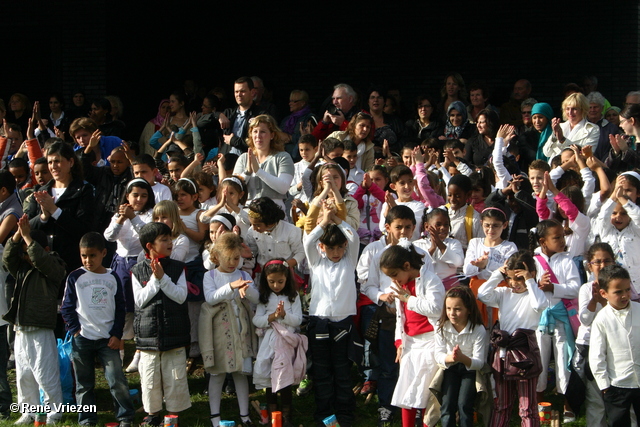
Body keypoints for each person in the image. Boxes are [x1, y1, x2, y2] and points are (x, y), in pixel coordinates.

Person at [60, 232, 135, 427]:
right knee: (84, 385)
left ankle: (125, 417)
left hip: (108, 340)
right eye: (84, 255)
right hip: (82, 340)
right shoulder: (75, 277)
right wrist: (76, 330)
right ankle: (87, 419)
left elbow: (120, 308)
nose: (88, 260)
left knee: (116, 379)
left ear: (103, 253)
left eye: (92, 255)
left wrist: (117, 334)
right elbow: (67, 307)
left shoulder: (112, 277)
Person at [3, 214, 66, 424]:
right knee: (24, 375)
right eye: (25, 253)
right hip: (21, 329)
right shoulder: (21, 269)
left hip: (41, 329)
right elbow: (7, 259)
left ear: (43, 249)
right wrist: (17, 237)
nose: (27, 257)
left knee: (45, 373)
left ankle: (54, 411)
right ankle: (29, 411)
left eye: (29, 252)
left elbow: (42, 261)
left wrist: (29, 238)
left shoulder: (54, 266)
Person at [303, 205, 360, 427]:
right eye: (330, 248)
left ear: (344, 246)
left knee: (342, 370)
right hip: (319, 322)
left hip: (343, 324)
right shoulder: (315, 262)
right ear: (322, 247)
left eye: (339, 247)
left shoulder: (349, 261)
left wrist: (338, 220)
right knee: (322, 371)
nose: (335, 252)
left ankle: (345, 414)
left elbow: (353, 237)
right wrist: (323, 222)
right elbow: (307, 242)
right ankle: (324, 414)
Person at [477, 250, 546, 426]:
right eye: (511, 278)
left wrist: (530, 280)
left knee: (527, 408)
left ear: (531, 274)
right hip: (503, 353)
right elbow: (482, 294)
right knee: (501, 404)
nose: (514, 283)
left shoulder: (535, 295)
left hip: (525, 355)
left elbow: (539, 305)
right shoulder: (503, 293)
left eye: (519, 278)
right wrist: (497, 274)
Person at [379, 241, 444, 427]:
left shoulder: (431, 279)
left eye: (394, 275)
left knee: (424, 392)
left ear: (407, 266)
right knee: (406, 392)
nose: (394, 280)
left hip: (430, 342)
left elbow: (436, 308)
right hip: (410, 345)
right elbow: (402, 318)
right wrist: (399, 342)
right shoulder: (402, 286)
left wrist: (408, 298)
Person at [132, 222, 191, 426]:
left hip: (174, 333)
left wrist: (163, 278)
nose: (170, 243)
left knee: (174, 376)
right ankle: (153, 414)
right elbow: (140, 300)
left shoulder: (177, 268)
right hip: (148, 335)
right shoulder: (138, 270)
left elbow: (180, 296)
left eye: (170, 239)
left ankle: (173, 415)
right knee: (149, 379)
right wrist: (156, 280)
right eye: (164, 240)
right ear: (150, 246)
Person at [201, 232, 259, 427]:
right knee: (217, 374)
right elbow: (210, 298)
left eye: (236, 258)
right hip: (220, 331)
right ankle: (215, 417)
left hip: (241, 331)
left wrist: (246, 290)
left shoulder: (244, 274)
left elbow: (257, 298)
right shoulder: (210, 276)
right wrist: (231, 286)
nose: (233, 262)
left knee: (241, 373)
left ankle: (244, 415)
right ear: (216, 257)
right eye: (228, 259)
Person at [531, 219, 581, 422]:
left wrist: (554, 288)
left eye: (562, 236)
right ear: (543, 242)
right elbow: (524, 285)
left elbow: (576, 288)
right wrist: (537, 284)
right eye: (557, 237)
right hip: (539, 319)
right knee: (539, 358)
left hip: (561, 318)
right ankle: (538, 402)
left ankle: (568, 403)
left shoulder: (567, 261)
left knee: (563, 359)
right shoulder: (533, 261)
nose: (562, 240)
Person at [27, 141, 96, 276]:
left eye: (57, 161)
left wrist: (55, 211)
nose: (53, 166)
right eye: (50, 162)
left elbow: (84, 229)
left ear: (71, 162)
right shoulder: (41, 191)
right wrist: (43, 217)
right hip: (44, 264)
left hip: (71, 262)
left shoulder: (83, 190)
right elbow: (28, 227)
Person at [253, 259, 304, 427]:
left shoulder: (292, 296)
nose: (276, 285)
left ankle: (287, 415)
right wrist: (273, 317)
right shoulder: (265, 297)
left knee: (285, 378)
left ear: (287, 279)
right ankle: (273, 416)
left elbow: (297, 319)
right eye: (272, 281)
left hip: (287, 342)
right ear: (265, 280)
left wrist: (284, 316)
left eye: (280, 281)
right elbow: (257, 320)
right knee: (270, 379)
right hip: (269, 342)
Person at [589, 264, 640, 426]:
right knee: (619, 422)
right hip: (617, 385)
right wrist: (605, 386)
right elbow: (597, 355)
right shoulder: (601, 319)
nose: (625, 295)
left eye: (627, 290)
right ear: (604, 293)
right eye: (618, 292)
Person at [434, 286, 487, 427]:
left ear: (469, 310)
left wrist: (463, 358)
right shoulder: (441, 327)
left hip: (469, 371)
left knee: (464, 405)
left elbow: (480, 362)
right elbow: (438, 355)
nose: (452, 313)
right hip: (450, 368)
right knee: (447, 405)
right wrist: (450, 358)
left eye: (457, 309)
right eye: (448, 308)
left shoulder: (478, 329)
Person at [232, 114, 294, 209]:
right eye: (255, 131)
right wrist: (248, 172)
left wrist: (258, 171)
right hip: (247, 210)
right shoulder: (243, 158)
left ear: (272, 135)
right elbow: (234, 188)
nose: (258, 136)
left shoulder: (283, 157)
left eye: (263, 132)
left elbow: (283, 188)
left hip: (274, 210)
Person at [543, 92, 600, 159]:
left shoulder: (592, 129)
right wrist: (554, 136)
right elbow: (547, 152)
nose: (570, 112)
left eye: (574, 109)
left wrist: (562, 139)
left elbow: (586, 154)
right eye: (567, 109)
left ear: (583, 110)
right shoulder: (560, 126)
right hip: (555, 167)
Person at [379, 165, 426, 241]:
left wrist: (394, 208)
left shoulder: (419, 206)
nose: (407, 186)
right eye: (402, 183)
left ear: (414, 183)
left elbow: (413, 227)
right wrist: (388, 211)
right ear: (393, 186)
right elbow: (383, 229)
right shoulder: (387, 204)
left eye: (410, 181)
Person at [221, 76, 266, 155]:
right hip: (226, 160)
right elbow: (200, 122)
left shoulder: (260, 115)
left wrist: (233, 141)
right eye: (236, 91)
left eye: (242, 91)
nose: (239, 95)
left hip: (248, 160)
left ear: (252, 92)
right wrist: (218, 115)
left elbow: (259, 143)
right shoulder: (228, 113)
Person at [280, 90, 317, 162]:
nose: (290, 103)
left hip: (299, 157)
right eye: (290, 101)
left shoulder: (310, 119)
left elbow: (309, 137)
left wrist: (291, 138)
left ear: (302, 103)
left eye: (294, 101)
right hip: (284, 156)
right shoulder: (287, 119)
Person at [587, 91, 621, 160]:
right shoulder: (581, 125)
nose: (592, 110)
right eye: (590, 107)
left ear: (602, 108)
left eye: (595, 107)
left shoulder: (611, 128)